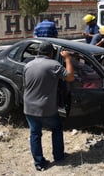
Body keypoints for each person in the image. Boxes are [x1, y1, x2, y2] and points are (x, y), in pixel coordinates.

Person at [23, 41, 74, 171]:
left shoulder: (28, 65)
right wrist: (67, 59)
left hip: (28, 107)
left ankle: (39, 163)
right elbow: (70, 77)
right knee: (56, 128)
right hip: (46, 108)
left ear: (39, 52)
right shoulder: (53, 65)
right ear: (52, 53)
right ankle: (58, 156)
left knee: (35, 134)